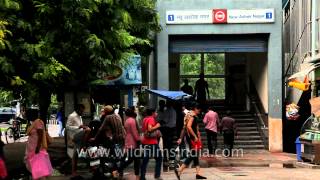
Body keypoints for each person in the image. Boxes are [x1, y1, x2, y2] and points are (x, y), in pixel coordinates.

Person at [175, 103, 206, 180]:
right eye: (199, 110)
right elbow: (188, 127)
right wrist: (195, 136)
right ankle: (179, 170)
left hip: (191, 138)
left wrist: (181, 138)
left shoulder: (188, 115)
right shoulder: (192, 116)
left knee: (195, 156)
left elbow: (184, 128)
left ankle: (198, 174)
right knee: (193, 155)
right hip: (193, 138)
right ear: (195, 109)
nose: (199, 111)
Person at [66, 104, 91, 180]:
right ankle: (84, 145)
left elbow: (80, 127)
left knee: (75, 154)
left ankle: (74, 171)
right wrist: (79, 127)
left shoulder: (79, 116)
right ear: (77, 109)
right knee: (88, 130)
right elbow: (67, 126)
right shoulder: (72, 116)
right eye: (81, 111)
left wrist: (82, 126)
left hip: (79, 135)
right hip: (75, 136)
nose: (82, 112)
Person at [140, 108, 163, 180]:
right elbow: (150, 129)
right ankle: (157, 175)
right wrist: (157, 125)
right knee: (159, 158)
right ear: (153, 113)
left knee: (145, 160)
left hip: (145, 141)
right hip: (152, 142)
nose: (157, 113)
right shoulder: (151, 119)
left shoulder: (144, 119)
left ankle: (142, 176)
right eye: (156, 112)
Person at [119, 108, 141, 180]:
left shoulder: (127, 120)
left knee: (135, 159)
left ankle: (137, 176)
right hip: (133, 142)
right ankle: (117, 170)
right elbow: (134, 132)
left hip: (128, 140)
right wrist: (139, 139)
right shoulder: (132, 121)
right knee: (133, 159)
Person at [161, 100, 177, 166]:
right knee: (171, 144)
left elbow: (165, 120)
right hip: (173, 128)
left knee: (167, 144)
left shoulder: (168, 110)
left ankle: (167, 158)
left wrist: (159, 122)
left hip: (167, 129)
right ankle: (172, 157)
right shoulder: (174, 111)